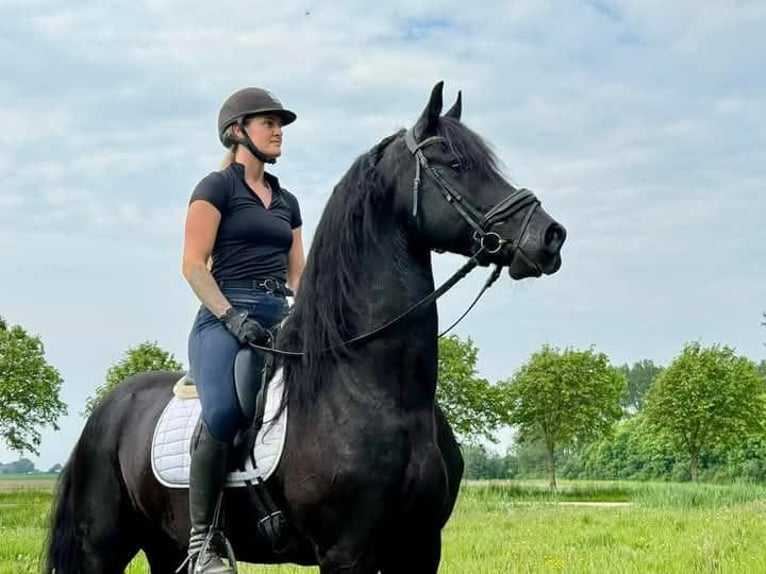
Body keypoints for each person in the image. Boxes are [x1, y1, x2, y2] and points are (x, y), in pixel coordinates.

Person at [181, 87, 305, 573]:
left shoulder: (287, 200)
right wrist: (232, 316)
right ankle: (202, 544)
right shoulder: (215, 189)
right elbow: (193, 265)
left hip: (280, 316)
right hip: (222, 319)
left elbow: (300, 275)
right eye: (267, 122)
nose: (278, 131)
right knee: (226, 409)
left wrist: (312, 314)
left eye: (280, 124)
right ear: (238, 132)